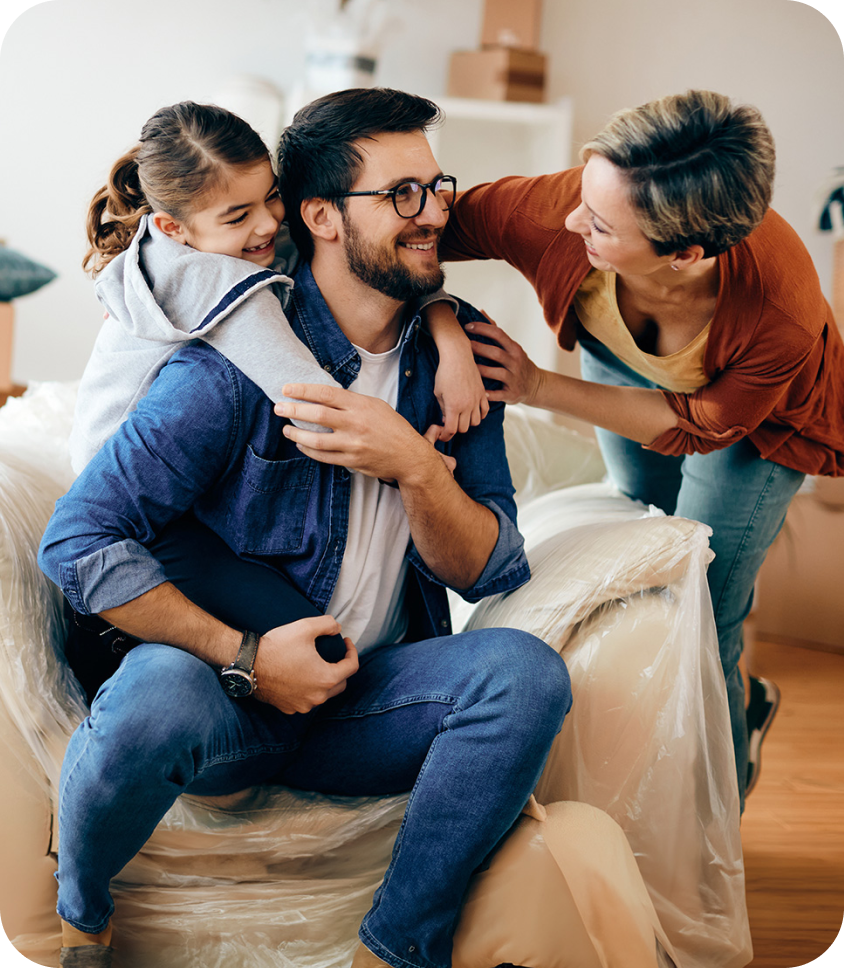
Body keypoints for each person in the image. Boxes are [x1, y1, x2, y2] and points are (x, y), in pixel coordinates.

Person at [38, 87, 572, 968]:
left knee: (522, 675)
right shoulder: (233, 355)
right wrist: (246, 657)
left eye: (438, 187)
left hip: (364, 697)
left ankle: (396, 949)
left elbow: (488, 569)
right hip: (230, 700)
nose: (436, 211)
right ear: (321, 216)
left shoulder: (459, 357)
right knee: (155, 691)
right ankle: (82, 923)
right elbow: (77, 540)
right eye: (403, 194)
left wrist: (413, 463)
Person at [439, 88, 844, 809]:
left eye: (596, 222)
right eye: (582, 191)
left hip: (757, 423)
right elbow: (409, 238)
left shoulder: (779, 310)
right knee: (645, 542)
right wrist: (442, 325)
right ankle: (713, 720)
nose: (570, 219)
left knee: (702, 596)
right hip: (626, 364)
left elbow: (701, 427)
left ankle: (717, 813)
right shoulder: (562, 205)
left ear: (686, 254)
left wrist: (534, 385)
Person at [71, 100, 488, 475]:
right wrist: (416, 464)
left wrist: (449, 338)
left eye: (272, 197)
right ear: (172, 228)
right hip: (119, 476)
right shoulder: (210, 281)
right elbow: (311, 399)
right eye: (238, 217)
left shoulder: (229, 238)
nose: (269, 224)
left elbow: (384, 262)